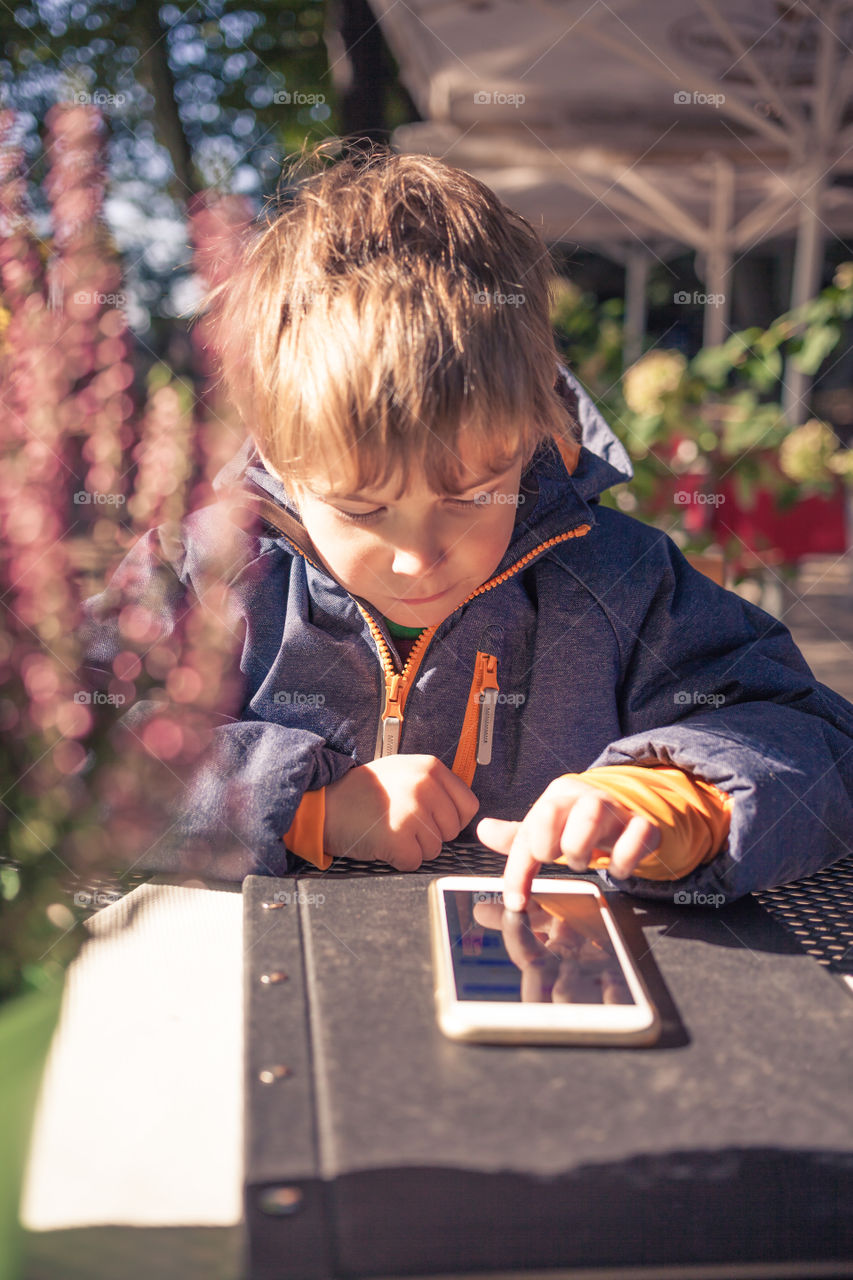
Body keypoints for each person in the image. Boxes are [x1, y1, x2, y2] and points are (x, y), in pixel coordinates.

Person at [81, 143, 853, 910]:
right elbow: (64, 754)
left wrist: (680, 800)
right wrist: (299, 802)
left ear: (531, 435)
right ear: (281, 459)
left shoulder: (622, 581)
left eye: (471, 494)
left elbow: (812, 740)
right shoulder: (203, 573)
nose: (417, 558)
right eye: (361, 508)